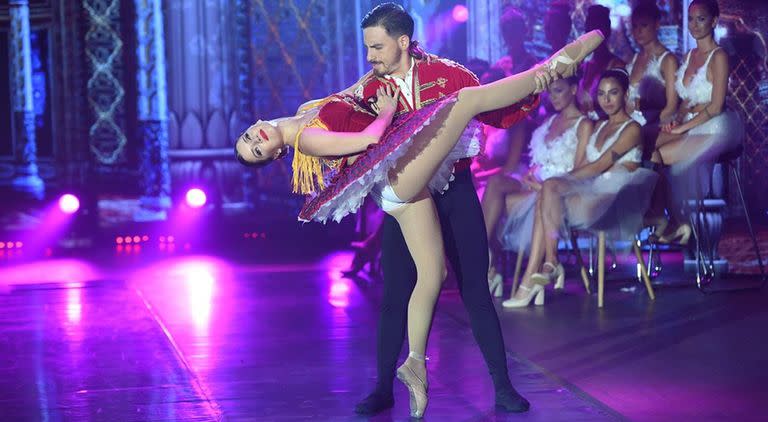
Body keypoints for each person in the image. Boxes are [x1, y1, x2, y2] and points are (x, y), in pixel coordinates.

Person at [235, 5, 604, 416]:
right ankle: (381, 388)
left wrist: (528, 96)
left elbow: (489, 106)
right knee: (395, 292)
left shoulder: (438, 74)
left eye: (377, 47)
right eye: (256, 149)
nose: (371, 56)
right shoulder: (326, 123)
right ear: (272, 154)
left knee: (451, 280)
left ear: (403, 42)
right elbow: (368, 138)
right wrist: (387, 114)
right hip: (401, 182)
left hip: (448, 186)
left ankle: (458, 374)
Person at [503, 69, 656, 307]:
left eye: (613, 93)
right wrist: (551, 183)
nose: (606, 100)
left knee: (548, 190)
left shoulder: (632, 129)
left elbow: (599, 166)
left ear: (625, 94)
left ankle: (545, 269)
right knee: (547, 192)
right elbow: (584, 165)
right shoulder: (598, 126)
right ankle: (549, 264)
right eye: (602, 94)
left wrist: (555, 182)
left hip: (612, 195)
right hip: (590, 190)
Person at [485, 75, 592, 295]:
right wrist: (528, 176)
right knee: (495, 183)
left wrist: (543, 185)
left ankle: (491, 269)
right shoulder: (549, 122)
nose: (553, 97)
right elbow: (537, 162)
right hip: (535, 184)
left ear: (573, 90)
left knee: (505, 203)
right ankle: (483, 253)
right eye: (550, 92)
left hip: (559, 190)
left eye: (559, 90)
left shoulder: (584, 124)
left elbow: (580, 171)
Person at [650, 0, 742, 243]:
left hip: (715, 127)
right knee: (645, 144)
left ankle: (674, 220)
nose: (694, 24)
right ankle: (665, 216)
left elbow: (716, 106)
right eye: (691, 19)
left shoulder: (719, 56)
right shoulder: (689, 55)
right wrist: (676, 119)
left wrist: (682, 127)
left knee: (656, 156)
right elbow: (685, 101)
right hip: (690, 122)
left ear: (713, 21)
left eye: (701, 19)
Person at [578, 5, 627, 117]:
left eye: (597, 31)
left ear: (607, 31)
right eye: (589, 30)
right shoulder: (584, 67)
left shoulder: (617, 66)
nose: (593, 37)